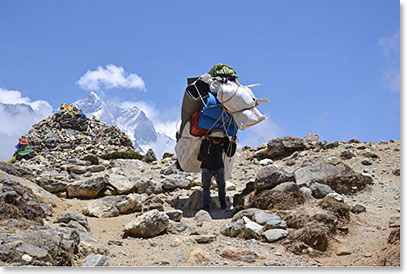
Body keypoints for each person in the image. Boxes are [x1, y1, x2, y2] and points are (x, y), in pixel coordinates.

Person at [197, 129, 237, 211]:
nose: (216, 141)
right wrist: (207, 143)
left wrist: (233, 143)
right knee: (206, 187)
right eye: (214, 139)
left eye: (218, 140)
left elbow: (229, 153)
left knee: (221, 186)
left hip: (219, 166)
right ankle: (206, 205)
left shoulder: (224, 141)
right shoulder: (205, 142)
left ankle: (223, 203)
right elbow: (200, 157)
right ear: (210, 138)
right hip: (206, 167)